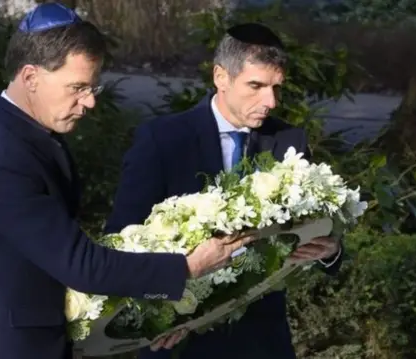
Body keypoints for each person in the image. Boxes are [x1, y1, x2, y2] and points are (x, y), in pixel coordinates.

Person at [0, 4, 253, 359]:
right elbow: (81, 265)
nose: (89, 101)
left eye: (93, 88)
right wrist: (187, 267)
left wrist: (151, 318)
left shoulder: (11, 137)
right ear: (30, 77)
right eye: (77, 87)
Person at [104, 23, 344, 359]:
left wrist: (329, 248)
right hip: (179, 341)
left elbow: (317, 229)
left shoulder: (290, 141)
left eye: (276, 87)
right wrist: (152, 314)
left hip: (263, 341)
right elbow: (121, 238)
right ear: (221, 77)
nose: (270, 101)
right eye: (256, 86)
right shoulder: (162, 140)